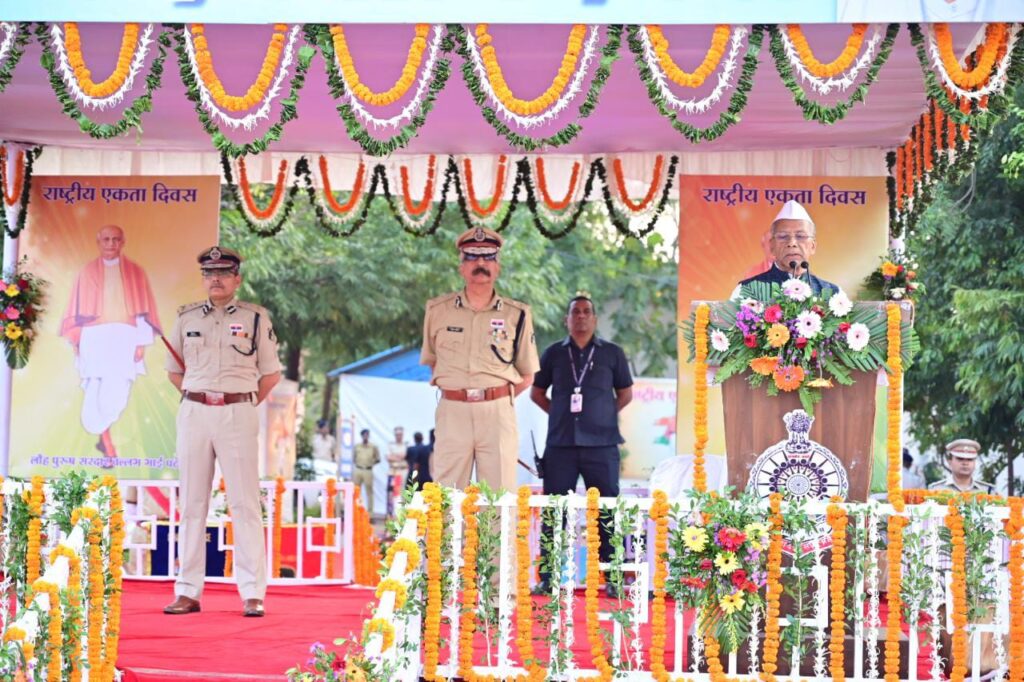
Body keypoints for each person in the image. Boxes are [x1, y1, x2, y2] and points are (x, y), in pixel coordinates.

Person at [162, 246, 281, 618]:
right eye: (209, 273)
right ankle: (188, 590)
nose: (215, 279)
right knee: (192, 503)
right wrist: (198, 398)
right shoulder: (185, 318)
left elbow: (271, 373)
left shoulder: (256, 318)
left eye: (223, 273)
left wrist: (242, 403)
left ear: (237, 279)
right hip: (195, 410)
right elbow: (173, 371)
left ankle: (251, 592)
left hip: (237, 411)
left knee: (245, 503)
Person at [420, 227, 540, 491]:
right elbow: (432, 363)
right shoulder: (437, 311)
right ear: (461, 267)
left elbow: (528, 374)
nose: (481, 264)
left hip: (497, 412)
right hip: (453, 410)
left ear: (498, 267)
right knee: (446, 496)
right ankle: (448, 535)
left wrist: (493, 396)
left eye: (488, 257)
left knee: (498, 497)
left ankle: (496, 535)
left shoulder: (516, 314)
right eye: (472, 257)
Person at [531, 295, 633, 595]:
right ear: (567, 319)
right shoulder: (553, 354)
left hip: (602, 445)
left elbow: (625, 394)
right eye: (575, 312)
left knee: (607, 510)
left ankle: (613, 578)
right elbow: (537, 393)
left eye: (587, 312)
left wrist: (602, 414)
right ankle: (548, 578)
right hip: (561, 445)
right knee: (554, 511)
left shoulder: (612, 353)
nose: (581, 317)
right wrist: (561, 413)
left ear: (595, 318)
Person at [60, 224, 162, 462]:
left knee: (117, 392)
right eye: (106, 239)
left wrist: (141, 343)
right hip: (94, 336)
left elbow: (143, 312)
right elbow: (76, 311)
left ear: (122, 242)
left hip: (125, 336)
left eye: (115, 239)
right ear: (99, 242)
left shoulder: (135, 273)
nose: (110, 244)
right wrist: (76, 339)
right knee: (95, 384)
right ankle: (106, 443)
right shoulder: (86, 272)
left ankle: (102, 435)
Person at [733, 200, 840, 297]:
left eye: (800, 236)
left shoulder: (832, 294)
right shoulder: (747, 290)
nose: (792, 243)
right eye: (783, 236)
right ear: (772, 246)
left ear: (812, 246)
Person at [928, 438, 994, 493]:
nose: (965, 463)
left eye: (970, 459)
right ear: (950, 462)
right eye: (960, 459)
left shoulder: (988, 491)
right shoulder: (936, 490)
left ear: (975, 462)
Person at [352, 428, 380, 512]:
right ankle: (355, 511)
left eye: (367, 435)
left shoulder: (373, 447)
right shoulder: (357, 446)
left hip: (368, 470)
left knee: (369, 492)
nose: (365, 437)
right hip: (358, 469)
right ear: (361, 436)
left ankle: (370, 513)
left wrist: (371, 463)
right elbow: (353, 458)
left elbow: (378, 458)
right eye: (364, 435)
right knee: (356, 491)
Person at [386, 426, 407, 515]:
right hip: (393, 472)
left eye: (400, 434)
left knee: (402, 493)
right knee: (391, 494)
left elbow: (405, 456)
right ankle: (390, 515)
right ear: (395, 435)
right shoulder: (391, 445)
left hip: (402, 472)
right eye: (397, 435)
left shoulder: (406, 445)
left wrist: (395, 456)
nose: (399, 436)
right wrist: (400, 457)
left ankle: (401, 515)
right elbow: (388, 457)